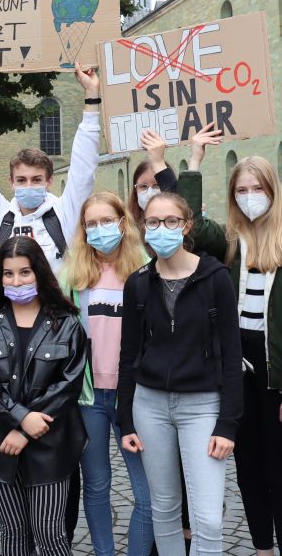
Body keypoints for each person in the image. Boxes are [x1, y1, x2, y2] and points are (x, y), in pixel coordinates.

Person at [117, 192, 243, 555]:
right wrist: (125, 420)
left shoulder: (216, 278)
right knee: (165, 508)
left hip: (203, 406)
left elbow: (231, 355)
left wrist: (227, 424)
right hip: (150, 406)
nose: (161, 229)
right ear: (143, 227)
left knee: (208, 518)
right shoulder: (138, 283)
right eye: (153, 222)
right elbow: (129, 356)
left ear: (186, 225)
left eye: (171, 221)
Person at [177, 124, 282, 556]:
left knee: (278, 469)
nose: (249, 195)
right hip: (239, 368)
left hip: (276, 370)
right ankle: (261, 547)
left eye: (257, 187)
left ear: (272, 191)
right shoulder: (231, 243)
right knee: (247, 466)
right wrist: (195, 162)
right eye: (242, 189)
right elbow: (192, 228)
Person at [0, 235, 87, 556]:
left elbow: (68, 385)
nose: (16, 280)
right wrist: (18, 420)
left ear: (39, 274)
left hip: (51, 442)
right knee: (13, 533)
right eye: (8, 273)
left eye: (25, 272)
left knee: (50, 535)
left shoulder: (66, 324)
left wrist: (26, 428)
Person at [61, 192, 153, 556]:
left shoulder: (145, 266)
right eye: (91, 224)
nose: (100, 230)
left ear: (122, 221)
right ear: (83, 230)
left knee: (147, 493)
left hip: (135, 395)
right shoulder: (73, 273)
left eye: (106, 220)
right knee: (97, 486)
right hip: (89, 398)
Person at [0, 64, 100, 271]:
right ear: (11, 182)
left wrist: (92, 95)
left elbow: (83, 167)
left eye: (37, 179)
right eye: (22, 180)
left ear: (49, 181)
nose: (29, 185)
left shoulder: (64, 212)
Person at [127, 130, 179, 225]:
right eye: (143, 186)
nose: (150, 193)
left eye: (157, 185)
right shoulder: (128, 229)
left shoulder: (179, 226)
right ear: (135, 191)